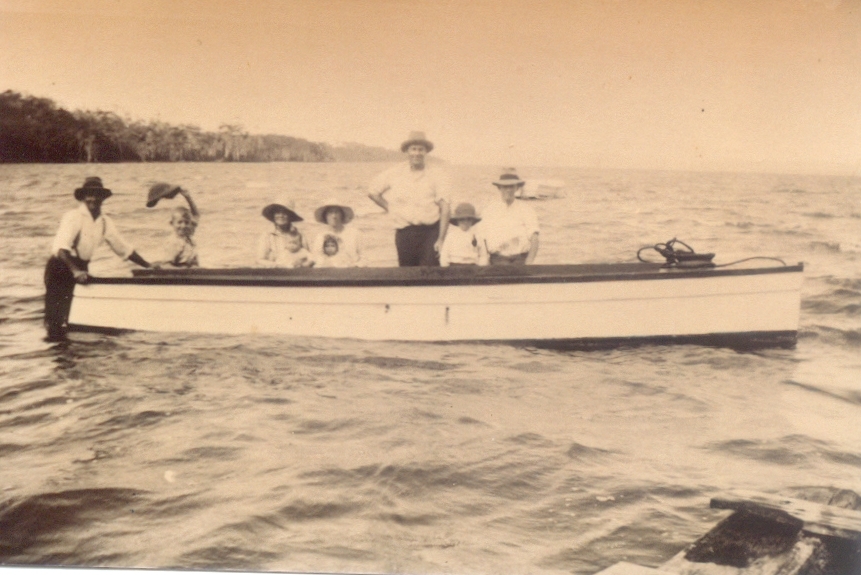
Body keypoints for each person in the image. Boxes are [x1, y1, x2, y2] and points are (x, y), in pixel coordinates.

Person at [44, 176, 150, 340]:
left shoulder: (105, 222)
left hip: (81, 270)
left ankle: (74, 357)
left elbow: (124, 249)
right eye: (89, 194)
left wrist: (148, 266)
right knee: (55, 320)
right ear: (83, 197)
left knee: (73, 318)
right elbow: (60, 250)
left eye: (97, 195)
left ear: (103, 198)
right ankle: (57, 356)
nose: (93, 199)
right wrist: (76, 271)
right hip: (61, 268)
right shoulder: (73, 217)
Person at [367, 131, 450, 266]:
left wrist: (441, 239)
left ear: (426, 152)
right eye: (413, 149)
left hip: (430, 233)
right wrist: (391, 208)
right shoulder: (395, 172)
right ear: (407, 151)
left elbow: (445, 208)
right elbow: (372, 192)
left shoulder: (437, 174)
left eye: (421, 149)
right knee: (406, 275)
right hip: (404, 233)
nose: (417, 153)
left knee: (430, 274)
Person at [480, 169, 540, 265]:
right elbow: (482, 239)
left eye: (511, 186)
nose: (508, 190)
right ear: (499, 188)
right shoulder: (489, 211)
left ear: (517, 188)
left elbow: (534, 238)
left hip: (520, 260)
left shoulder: (527, 209)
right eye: (505, 186)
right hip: (497, 260)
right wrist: (484, 261)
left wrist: (529, 262)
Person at [150, 186, 200, 268]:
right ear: (172, 224)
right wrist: (182, 272)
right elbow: (166, 265)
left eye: (186, 222)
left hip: (191, 271)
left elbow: (196, 215)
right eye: (179, 222)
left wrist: (188, 197)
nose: (183, 226)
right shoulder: (174, 242)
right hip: (181, 275)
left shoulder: (188, 235)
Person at [256, 199, 313, 268]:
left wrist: (301, 263)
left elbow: (309, 257)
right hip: (275, 273)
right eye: (277, 212)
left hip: (296, 272)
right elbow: (260, 259)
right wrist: (277, 265)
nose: (281, 216)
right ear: (273, 215)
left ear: (290, 216)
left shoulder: (299, 234)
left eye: (284, 213)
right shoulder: (267, 235)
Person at [310, 199, 361, 267]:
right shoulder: (320, 236)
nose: (334, 216)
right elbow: (316, 258)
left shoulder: (355, 233)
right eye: (330, 213)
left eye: (337, 212)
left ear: (342, 215)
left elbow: (365, 258)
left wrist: (355, 266)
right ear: (325, 216)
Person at [440, 203, 487, 267]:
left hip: (472, 266)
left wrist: (481, 268)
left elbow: (483, 255)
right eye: (462, 219)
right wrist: (446, 269)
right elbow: (444, 254)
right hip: (455, 265)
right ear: (457, 221)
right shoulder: (451, 236)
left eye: (468, 219)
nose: (465, 222)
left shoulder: (477, 236)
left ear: (472, 221)